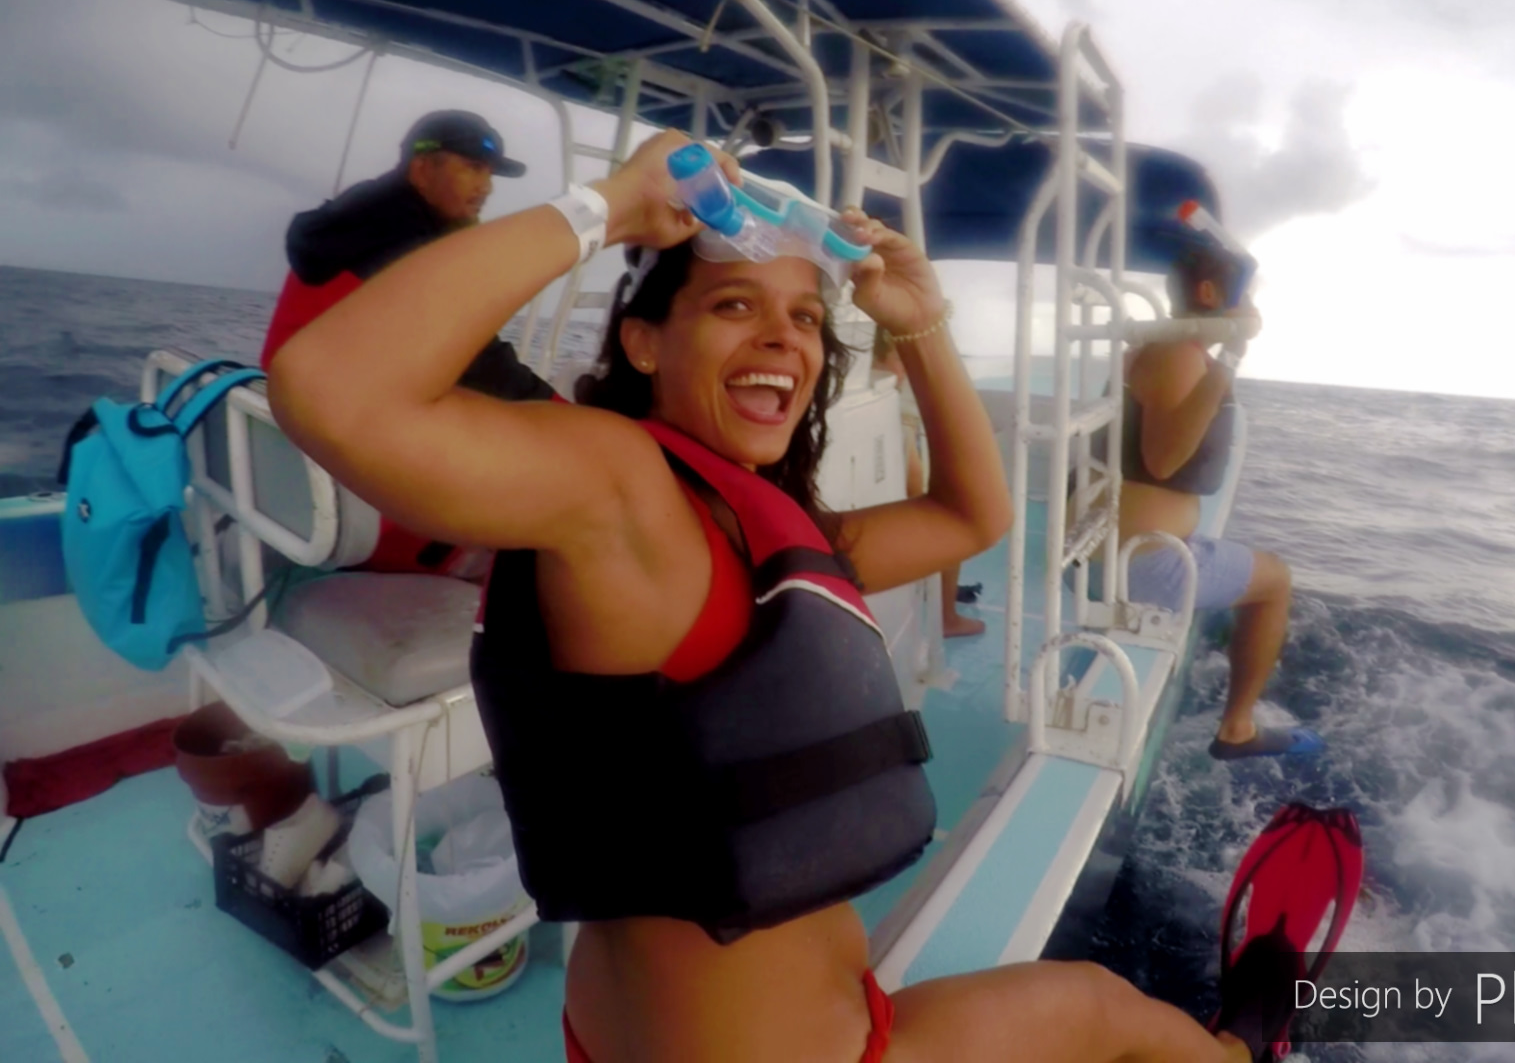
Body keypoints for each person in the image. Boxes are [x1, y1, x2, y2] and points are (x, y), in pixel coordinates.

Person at [269, 131, 1250, 1063]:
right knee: (1105, 1012)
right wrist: (610, 206)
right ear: (644, 343)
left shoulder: (738, 531)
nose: (783, 336)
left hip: (683, 1034)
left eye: (807, 318)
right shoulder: (616, 485)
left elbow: (970, 515)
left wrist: (917, 322)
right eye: (735, 305)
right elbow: (327, 388)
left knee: (1099, 1010)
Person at [1117, 245, 1308, 762]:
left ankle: (1231, 632)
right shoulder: (1179, 354)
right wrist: (1230, 357)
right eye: (1244, 296)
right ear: (1209, 293)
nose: (1252, 308)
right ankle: (1237, 729)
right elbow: (1163, 461)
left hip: (1127, 547)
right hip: (1144, 563)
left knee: (1243, 566)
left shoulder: (1161, 347)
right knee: (1277, 581)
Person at [261, 108, 554, 403]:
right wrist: (555, 408)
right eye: (473, 168)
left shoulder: (368, 208)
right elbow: (472, 353)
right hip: (322, 402)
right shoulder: (400, 237)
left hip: (293, 390)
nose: (486, 187)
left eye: (489, 173)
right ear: (422, 170)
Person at [873, 330, 985, 639]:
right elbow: (892, 371)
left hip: (904, 431)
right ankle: (945, 616)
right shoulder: (900, 336)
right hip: (903, 432)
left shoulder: (892, 336)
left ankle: (940, 594)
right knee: (952, 523)